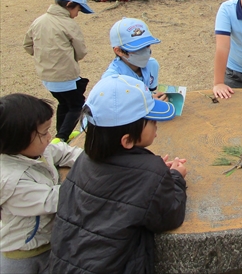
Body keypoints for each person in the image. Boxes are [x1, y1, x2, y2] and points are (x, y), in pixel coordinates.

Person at [48, 74, 187, 273]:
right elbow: (170, 215)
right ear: (127, 140)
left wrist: (152, 176)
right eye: (150, 119)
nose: (156, 123)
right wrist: (175, 177)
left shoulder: (84, 160)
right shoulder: (152, 172)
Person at [0, 94, 82, 274]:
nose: (49, 137)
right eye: (44, 133)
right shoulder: (13, 181)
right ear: (18, 138)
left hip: (48, 241)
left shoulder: (38, 151)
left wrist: (92, 161)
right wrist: (101, 178)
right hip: (23, 253)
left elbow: (63, 152)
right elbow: (56, 199)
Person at [23, 0, 94, 143]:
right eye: (78, 10)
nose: (77, 15)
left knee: (64, 103)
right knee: (77, 106)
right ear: (69, 5)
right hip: (66, 76)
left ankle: (62, 135)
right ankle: (60, 138)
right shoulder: (69, 24)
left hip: (46, 77)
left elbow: (28, 46)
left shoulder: (38, 21)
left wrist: (44, 56)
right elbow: (81, 52)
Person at [103, 18, 167, 101]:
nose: (145, 52)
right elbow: (112, 109)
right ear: (119, 51)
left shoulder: (152, 65)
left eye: (147, 46)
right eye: (138, 48)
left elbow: (150, 93)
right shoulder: (111, 80)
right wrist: (148, 102)